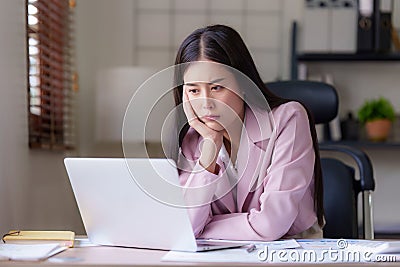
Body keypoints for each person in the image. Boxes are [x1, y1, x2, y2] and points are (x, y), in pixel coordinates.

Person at [172, 24, 324, 241]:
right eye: (194, 90)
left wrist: (205, 229)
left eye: (217, 88)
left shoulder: (288, 119)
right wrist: (210, 148)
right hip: (224, 255)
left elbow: (272, 225)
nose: (206, 103)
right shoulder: (192, 140)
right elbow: (184, 228)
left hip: (292, 251)